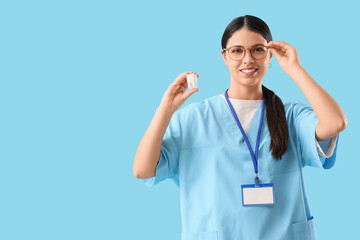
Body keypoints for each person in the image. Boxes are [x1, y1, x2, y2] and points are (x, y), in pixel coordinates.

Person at [133, 15, 347, 240]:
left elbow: (336, 123)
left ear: (270, 55)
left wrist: (295, 69)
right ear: (224, 57)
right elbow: (143, 170)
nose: (248, 59)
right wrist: (165, 109)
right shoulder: (192, 119)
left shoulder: (291, 116)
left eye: (258, 50)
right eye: (237, 51)